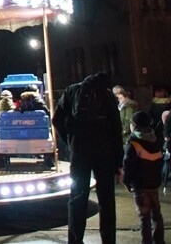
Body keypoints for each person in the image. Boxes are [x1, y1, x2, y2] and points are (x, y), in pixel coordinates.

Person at [52, 71, 123, 244]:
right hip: (104, 153)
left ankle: (75, 240)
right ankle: (108, 240)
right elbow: (116, 130)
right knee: (106, 200)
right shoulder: (107, 96)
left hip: (79, 152)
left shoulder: (71, 91)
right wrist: (118, 162)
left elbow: (57, 119)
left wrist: (70, 140)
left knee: (77, 197)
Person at [122, 110, 165, 244]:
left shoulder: (134, 144)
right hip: (154, 183)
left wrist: (126, 181)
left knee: (144, 217)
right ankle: (159, 240)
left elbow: (128, 166)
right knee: (156, 214)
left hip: (140, 185)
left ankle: (146, 242)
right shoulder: (156, 140)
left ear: (134, 125)